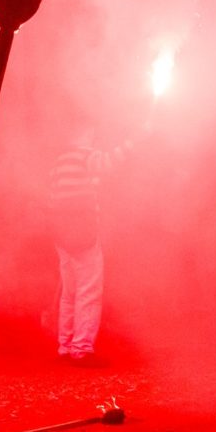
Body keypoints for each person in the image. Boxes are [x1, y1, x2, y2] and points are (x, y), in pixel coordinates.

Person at [47, 124, 132, 366]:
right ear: (81, 134)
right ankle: (82, 349)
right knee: (88, 290)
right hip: (82, 233)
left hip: (61, 235)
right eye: (90, 133)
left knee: (69, 292)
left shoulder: (58, 163)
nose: (93, 137)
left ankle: (65, 346)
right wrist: (134, 140)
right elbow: (112, 161)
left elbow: (53, 200)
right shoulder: (83, 155)